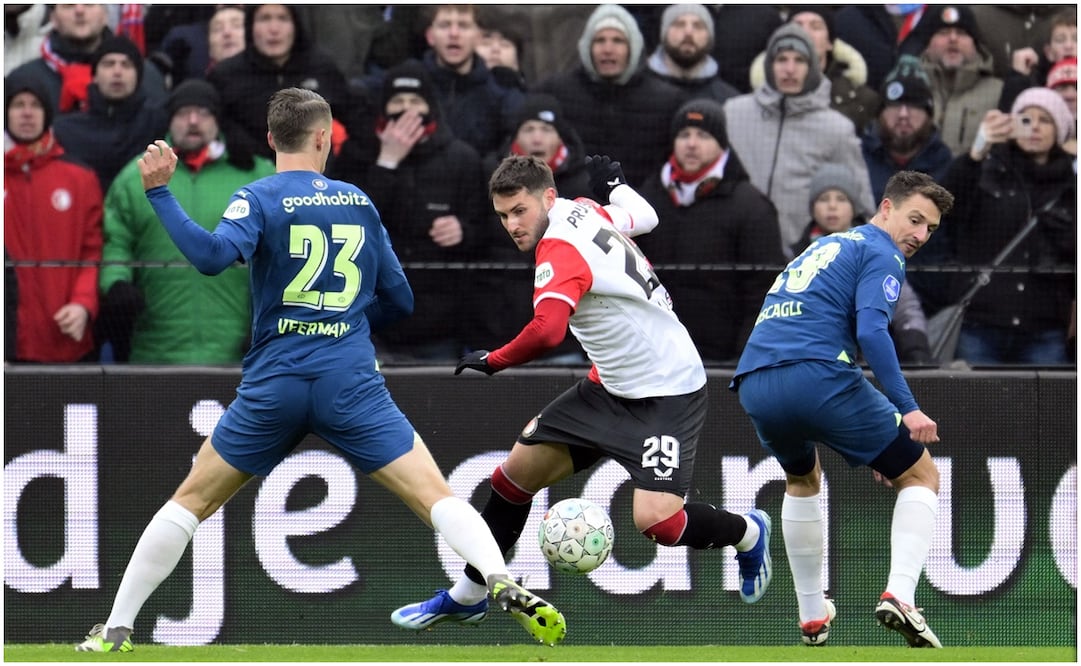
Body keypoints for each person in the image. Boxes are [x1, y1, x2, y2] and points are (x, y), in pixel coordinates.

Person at [74, 88, 566, 653]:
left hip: (275, 382)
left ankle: (116, 627)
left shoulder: (257, 197)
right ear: (323, 139)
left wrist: (161, 194)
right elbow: (400, 300)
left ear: (269, 140)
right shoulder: (357, 201)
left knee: (191, 502)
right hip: (349, 380)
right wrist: (347, 321)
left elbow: (212, 258)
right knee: (435, 495)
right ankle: (495, 578)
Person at [390, 154, 773, 633]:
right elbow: (646, 216)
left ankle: (748, 532)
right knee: (512, 480)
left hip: (666, 394)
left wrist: (494, 360)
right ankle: (469, 595)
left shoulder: (558, 250)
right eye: (503, 215)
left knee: (660, 524)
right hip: (608, 386)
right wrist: (615, 185)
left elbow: (548, 332)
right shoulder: (584, 208)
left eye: (520, 211)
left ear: (548, 197)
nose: (512, 224)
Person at [731, 170, 955, 648]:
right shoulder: (881, 251)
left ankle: (812, 616)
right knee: (921, 477)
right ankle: (901, 594)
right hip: (817, 376)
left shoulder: (825, 246)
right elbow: (874, 332)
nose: (919, 236)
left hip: (754, 380)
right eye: (915, 220)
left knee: (803, 480)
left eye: (930, 230)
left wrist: (879, 441)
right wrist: (907, 410)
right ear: (886, 208)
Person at [96, 79, 275, 364]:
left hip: (237, 354)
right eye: (183, 113)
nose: (193, 121)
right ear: (169, 120)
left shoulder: (257, 174)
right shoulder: (139, 174)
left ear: (218, 120)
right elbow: (116, 241)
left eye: (203, 113)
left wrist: (268, 327)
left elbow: (279, 252)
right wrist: (116, 284)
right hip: (154, 351)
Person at [348, 60, 494, 364]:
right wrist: (387, 163)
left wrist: (463, 231)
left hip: (440, 325)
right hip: (373, 322)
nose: (406, 110)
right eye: (397, 101)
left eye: (416, 101)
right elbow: (352, 224)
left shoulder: (461, 159)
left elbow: (488, 229)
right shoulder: (358, 153)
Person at [634, 98, 785, 364]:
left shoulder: (752, 207)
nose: (691, 143)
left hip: (721, 358)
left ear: (721, 144)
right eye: (684, 134)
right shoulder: (645, 200)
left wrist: (744, 358)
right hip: (650, 353)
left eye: (703, 135)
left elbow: (762, 294)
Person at [938, 87, 1076, 366]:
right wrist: (975, 154)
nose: (1034, 127)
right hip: (981, 323)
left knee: (1048, 409)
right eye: (1025, 119)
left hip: (1044, 327)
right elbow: (947, 207)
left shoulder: (1071, 184)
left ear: (1060, 129)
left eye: (1045, 120)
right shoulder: (988, 170)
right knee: (977, 408)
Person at [724, 23, 875, 257]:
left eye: (800, 60)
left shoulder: (836, 128)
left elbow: (861, 204)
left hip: (805, 259)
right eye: (782, 59)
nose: (790, 69)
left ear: (813, 67)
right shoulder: (733, 114)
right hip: (737, 254)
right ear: (769, 65)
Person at [4, 70, 103, 363]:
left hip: (64, 339)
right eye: (17, 104)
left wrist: (83, 303)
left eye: (34, 105)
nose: (26, 113)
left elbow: (92, 253)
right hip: (9, 342)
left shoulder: (79, 178)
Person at [533, 4, 688, 188]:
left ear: (633, 47)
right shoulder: (555, 91)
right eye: (600, 40)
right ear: (587, 47)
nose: (608, 49)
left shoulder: (667, 100)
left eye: (617, 41)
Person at [793, 164, 934, 366]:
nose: (832, 206)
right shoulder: (796, 255)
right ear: (812, 208)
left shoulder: (878, 251)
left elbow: (905, 306)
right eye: (824, 199)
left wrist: (916, 347)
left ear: (854, 207)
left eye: (841, 199)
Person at [206, 4, 352, 163]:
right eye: (264, 19)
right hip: (248, 174)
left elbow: (351, 120)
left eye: (283, 18)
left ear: (296, 25)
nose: (274, 29)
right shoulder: (225, 75)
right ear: (251, 26)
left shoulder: (322, 68)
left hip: (315, 174)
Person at [51, 35, 169, 194]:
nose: (117, 72)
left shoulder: (157, 123)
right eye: (108, 64)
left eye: (126, 65)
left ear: (138, 76)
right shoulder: (65, 130)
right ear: (94, 75)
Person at [7, 3, 167, 115]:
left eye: (89, 4)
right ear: (53, 19)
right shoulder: (25, 79)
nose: (79, 11)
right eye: (68, 5)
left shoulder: (144, 74)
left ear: (105, 16)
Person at [411, 4, 525, 162]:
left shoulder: (500, 95)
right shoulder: (409, 82)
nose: (454, 33)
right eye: (445, 25)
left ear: (478, 37)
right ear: (430, 36)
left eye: (463, 26)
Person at [748, 5, 881, 135]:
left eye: (816, 27)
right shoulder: (759, 100)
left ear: (830, 43)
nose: (805, 33)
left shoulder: (862, 101)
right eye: (797, 26)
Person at [906, 5, 1003, 157]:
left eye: (962, 33)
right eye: (943, 33)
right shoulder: (909, 88)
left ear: (975, 44)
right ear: (927, 45)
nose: (953, 39)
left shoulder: (998, 92)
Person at [643, 4, 740, 105]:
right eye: (679, 24)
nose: (688, 32)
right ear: (664, 33)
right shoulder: (638, 94)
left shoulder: (729, 101)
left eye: (698, 26)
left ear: (709, 37)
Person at [998, 8, 1077, 113]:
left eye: (1076, 39)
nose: (1068, 46)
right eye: (1060, 40)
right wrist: (1017, 77)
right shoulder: (1035, 88)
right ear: (1049, 52)